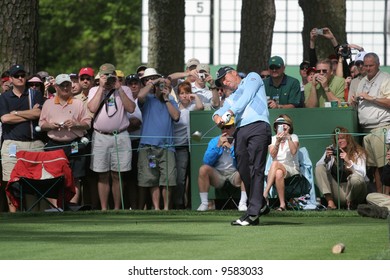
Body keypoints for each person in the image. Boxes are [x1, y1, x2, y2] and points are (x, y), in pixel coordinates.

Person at [213, 66, 271, 226]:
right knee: (244, 168)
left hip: (258, 125)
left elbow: (247, 96)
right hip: (241, 130)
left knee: (256, 168)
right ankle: (261, 204)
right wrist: (217, 116)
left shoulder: (252, 77)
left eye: (225, 78)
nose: (225, 83)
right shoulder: (233, 96)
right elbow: (223, 108)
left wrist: (230, 111)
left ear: (233, 73)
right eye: (222, 82)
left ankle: (252, 213)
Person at [87, 63, 136, 210]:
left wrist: (118, 88)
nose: (108, 78)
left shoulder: (124, 89)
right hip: (101, 136)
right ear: (99, 77)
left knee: (118, 174)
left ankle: (116, 208)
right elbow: (92, 108)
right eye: (104, 76)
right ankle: (103, 208)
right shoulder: (94, 90)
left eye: (110, 75)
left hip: (120, 135)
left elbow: (131, 108)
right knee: (102, 174)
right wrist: (102, 88)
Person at [39, 74, 92, 205]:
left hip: (74, 144)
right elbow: (42, 124)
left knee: (75, 178)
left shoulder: (78, 103)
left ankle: (72, 208)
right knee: (53, 177)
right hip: (54, 145)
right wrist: (50, 126)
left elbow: (87, 124)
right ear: (56, 87)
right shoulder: (48, 103)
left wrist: (75, 124)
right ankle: (55, 208)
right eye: (62, 85)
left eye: (67, 84)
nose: (65, 87)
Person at [0, 64, 45, 212]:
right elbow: (5, 119)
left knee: (34, 181)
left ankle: (31, 214)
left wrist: (17, 114)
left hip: (34, 144)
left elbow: (38, 114)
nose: (20, 78)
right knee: (11, 181)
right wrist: (28, 114)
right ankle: (14, 216)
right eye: (17, 76)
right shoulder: (4, 97)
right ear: (11, 79)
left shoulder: (34, 94)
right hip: (12, 144)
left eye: (22, 75)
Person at [137, 68, 180, 210]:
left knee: (167, 179)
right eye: (160, 86)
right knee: (152, 179)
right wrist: (154, 82)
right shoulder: (148, 99)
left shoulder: (171, 101)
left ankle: (166, 207)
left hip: (167, 147)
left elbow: (176, 117)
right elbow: (140, 96)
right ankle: (156, 208)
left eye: (165, 86)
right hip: (148, 146)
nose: (162, 88)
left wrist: (167, 98)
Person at [354, 52, 390, 193]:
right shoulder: (362, 81)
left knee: (384, 165)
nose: (368, 68)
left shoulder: (385, 78)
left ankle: (386, 198)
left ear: (378, 64)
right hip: (365, 130)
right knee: (374, 167)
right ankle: (379, 196)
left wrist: (371, 98)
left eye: (371, 65)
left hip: (381, 127)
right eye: (365, 65)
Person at [197, 117, 248, 212]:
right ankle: (204, 203)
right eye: (222, 127)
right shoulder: (214, 141)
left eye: (228, 127)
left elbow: (244, 160)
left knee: (246, 169)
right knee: (203, 169)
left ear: (234, 127)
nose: (225, 130)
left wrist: (231, 148)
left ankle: (243, 203)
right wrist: (218, 147)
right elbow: (206, 161)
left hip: (235, 174)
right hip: (219, 175)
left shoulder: (240, 141)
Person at [315, 127, 368, 210]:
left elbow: (362, 173)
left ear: (348, 138)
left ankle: (351, 203)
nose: (340, 141)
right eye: (337, 139)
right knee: (319, 168)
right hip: (340, 191)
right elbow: (319, 167)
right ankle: (330, 203)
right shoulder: (333, 149)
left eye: (342, 138)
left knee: (356, 178)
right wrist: (327, 159)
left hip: (355, 191)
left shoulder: (358, 151)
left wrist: (348, 162)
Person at [173, 81, 203, 209]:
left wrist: (195, 96)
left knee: (192, 176)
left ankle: (191, 203)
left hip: (192, 146)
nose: (184, 96)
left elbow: (201, 107)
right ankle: (179, 203)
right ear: (178, 95)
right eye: (182, 93)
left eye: (187, 93)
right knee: (180, 178)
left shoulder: (192, 107)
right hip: (178, 146)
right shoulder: (175, 108)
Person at [263, 115, 300, 211]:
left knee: (275, 164)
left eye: (285, 124)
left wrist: (288, 138)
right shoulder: (273, 139)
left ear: (289, 126)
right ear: (276, 128)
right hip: (278, 170)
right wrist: (277, 142)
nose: (282, 126)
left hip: (292, 169)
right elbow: (272, 155)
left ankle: (265, 193)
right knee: (278, 173)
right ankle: (282, 205)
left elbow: (293, 152)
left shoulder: (293, 137)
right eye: (279, 124)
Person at [124, 74, 145, 209]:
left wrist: (133, 123)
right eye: (130, 83)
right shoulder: (122, 100)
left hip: (141, 142)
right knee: (129, 178)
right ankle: (132, 206)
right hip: (126, 142)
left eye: (136, 83)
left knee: (142, 177)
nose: (133, 86)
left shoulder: (143, 100)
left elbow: (140, 122)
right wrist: (130, 124)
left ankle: (142, 207)